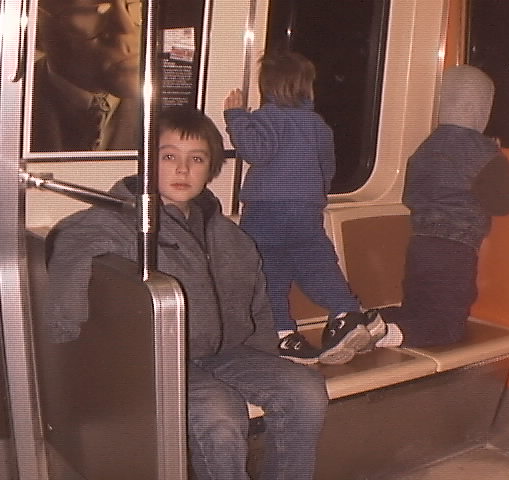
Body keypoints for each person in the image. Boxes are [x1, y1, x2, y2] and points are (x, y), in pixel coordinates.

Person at [45, 107, 328, 480]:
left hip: (228, 351)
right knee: (220, 414)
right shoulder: (123, 222)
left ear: (211, 168)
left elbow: (257, 304)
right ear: (147, 163)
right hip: (158, 359)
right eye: (169, 157)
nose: (182, 169)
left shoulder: (231, 237)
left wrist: (266, 361)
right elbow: (71, 241)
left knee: (306, 391)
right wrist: (65, 333)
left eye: (196, 159)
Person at [223, 50, 376, 366]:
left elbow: (256, 152)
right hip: (306, 207)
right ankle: (346, 314)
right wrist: (312, 194)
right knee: (315, 261)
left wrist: (236, 116)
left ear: (267, 87)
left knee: (268, 272)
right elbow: (327, 168)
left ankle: (282, 333)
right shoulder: (318, 125)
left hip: (266, 208)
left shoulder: (267, 118)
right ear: (307, 87)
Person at [372, 64, 509, 349]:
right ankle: (390, 335)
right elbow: (506, 202)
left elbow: (409, 196)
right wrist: (497, 155)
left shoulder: (425, 148)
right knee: (446, 326)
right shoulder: (484, 152)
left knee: (417, 307)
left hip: (420, 244)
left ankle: (370, 322)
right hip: (456, 249)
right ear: (479, 108)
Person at [32, 0, 142, 151]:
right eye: (95, 11)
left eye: (133, 4)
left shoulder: (169, 102)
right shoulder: (10, 108)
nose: (127, 28)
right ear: (36, 27)